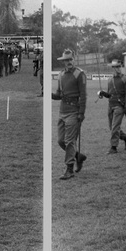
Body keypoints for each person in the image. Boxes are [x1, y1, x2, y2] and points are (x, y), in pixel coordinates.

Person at [52, 49, 87, 180]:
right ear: (63, 62)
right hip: (62, 111)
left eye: (71, 59)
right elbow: (59, 94)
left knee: (70, 141)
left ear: (74, 59)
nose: (69, 62)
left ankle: (69, 169)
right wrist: (50, 95)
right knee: (61, 141)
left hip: (74, 111)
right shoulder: (61, 75)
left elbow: (83, 95)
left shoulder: (79, 74)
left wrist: (81, 113)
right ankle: (78, 156)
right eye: (66, 60)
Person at [102, 59, 126, 154]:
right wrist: (103, 93)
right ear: (113, 68)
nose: (118, 68)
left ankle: (113, 147)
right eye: (116, 67)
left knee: (115, 127)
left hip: (120, 106)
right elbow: (109, 94)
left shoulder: (125, 79)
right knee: (112, 128)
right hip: (110, 105)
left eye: (119, 66)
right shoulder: (110, 80)